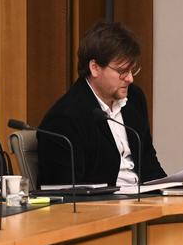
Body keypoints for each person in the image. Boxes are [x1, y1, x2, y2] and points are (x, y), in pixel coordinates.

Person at [38, 21, 166, 187]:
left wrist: (172, 191)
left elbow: (148, 163)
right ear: (95, 68)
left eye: (132, 70)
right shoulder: (64, 118)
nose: (130, 78)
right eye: (122, 71)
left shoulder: (134, 99)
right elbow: (67, 192)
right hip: (104, 208)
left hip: (143, 202)